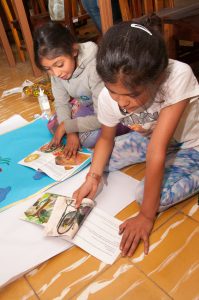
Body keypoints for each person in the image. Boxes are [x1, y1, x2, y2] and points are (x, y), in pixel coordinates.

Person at [73, 17, 199, 257]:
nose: (121, 102)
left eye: (132, 94)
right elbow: (105, 139)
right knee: (100, 161)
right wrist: (93, 177)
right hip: (158, 140)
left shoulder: (176, 76)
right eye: (113, 92)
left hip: (192, 144)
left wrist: (145, 216)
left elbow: (156, 151)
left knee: (146, 198)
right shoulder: (110, 97)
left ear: (157, 78)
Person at [33, 22, 104, 158]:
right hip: (86, 104)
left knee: (87, 138)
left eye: (59, 64)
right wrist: (71, 131)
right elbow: (61, 103)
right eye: (48, 69)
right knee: (53, 123)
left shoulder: (94, 65)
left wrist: (67, 126)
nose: (56, 73)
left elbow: (103, 116)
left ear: (74, 50)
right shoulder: (56, 72)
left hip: (109, 110)